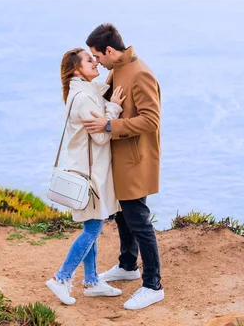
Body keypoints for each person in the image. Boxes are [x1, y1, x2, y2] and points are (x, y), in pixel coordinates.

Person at [82, 23, 164, 310]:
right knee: (121, 216)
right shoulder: (116, 70)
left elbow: (151, 120)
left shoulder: (140, 73)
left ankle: (153, 285)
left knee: (138, 220)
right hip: (117, 159)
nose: (97, 62)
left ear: (109, 50)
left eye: (98, 56)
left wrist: (108, 124)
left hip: (134, 161)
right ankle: (128, 266)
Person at [45, 47, 126, 305]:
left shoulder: (81, 92)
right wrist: (113, 110)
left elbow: (99, 89)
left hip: (84, 168)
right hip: (91, 173)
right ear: (76, 69)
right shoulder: (83, 98)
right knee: (93, 228)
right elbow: (101, 136)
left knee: (91, 223)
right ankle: (61, 278)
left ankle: (91, 281)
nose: (96, 63)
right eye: (90, 60)